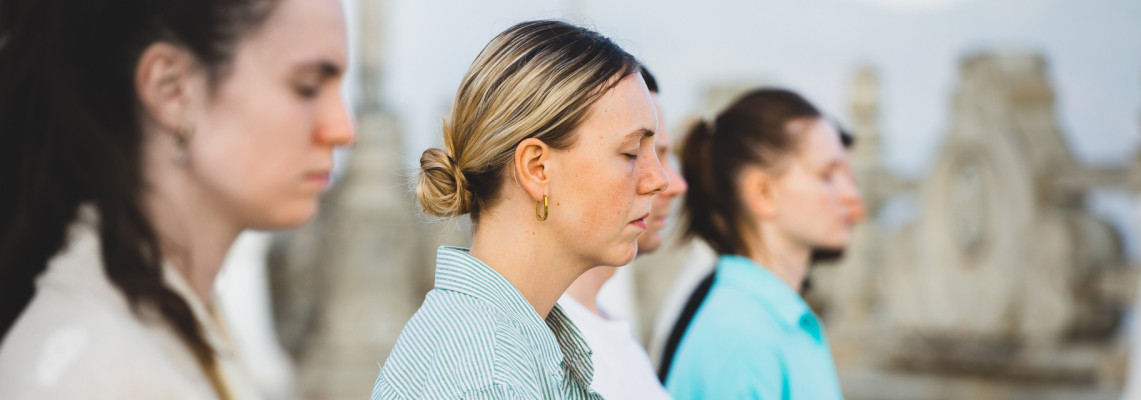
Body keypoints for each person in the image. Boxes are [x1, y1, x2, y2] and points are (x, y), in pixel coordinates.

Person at [0, 0, 354, 398]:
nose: (343, 129)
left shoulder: (186, 321)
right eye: (307, 87)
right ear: (172, 89)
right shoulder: (85, 371)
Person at [371, 20, 667, 399]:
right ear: (537, 169)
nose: (658, 179)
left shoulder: (497, 343)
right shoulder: (491, 380)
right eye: (630, 153)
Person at [664, 89, 861, 399]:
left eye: (849, 177)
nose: (852, 196)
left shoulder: (774, 319)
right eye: (827, 175)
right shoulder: (741, 335)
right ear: (763, 193)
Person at [559, 67, 685, 400]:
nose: (669, 182)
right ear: (539, 168)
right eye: (632, 153)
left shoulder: (616, 338)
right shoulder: (534, 354)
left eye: (662, 156)